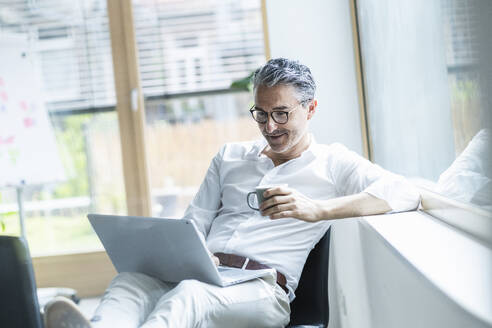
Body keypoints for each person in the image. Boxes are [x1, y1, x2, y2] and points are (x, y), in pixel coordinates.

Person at [44, 58, 420, 328]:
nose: (269, 126)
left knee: (189, 297)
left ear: (311, 108)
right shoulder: (230, 156)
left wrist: (317, 209)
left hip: (261, 291)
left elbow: (403, 192)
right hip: (205, 272)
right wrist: (178, 251)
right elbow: (195, 222)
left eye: (281, 114)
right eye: (260, 113)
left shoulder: (333, 163)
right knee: (131, 281)